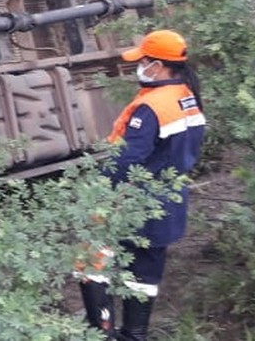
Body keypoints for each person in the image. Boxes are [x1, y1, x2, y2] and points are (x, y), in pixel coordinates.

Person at [79, 29, 207, 340]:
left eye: (144, 61)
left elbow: (126, 159)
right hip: (169, 203)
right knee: (144, 274)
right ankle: (134, 335)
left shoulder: (152, 107)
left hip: (131, 202)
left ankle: (102, 334)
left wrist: (100, 195)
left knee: (90, 265)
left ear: (160, 65)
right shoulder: (187, 97)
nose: (140, 67)